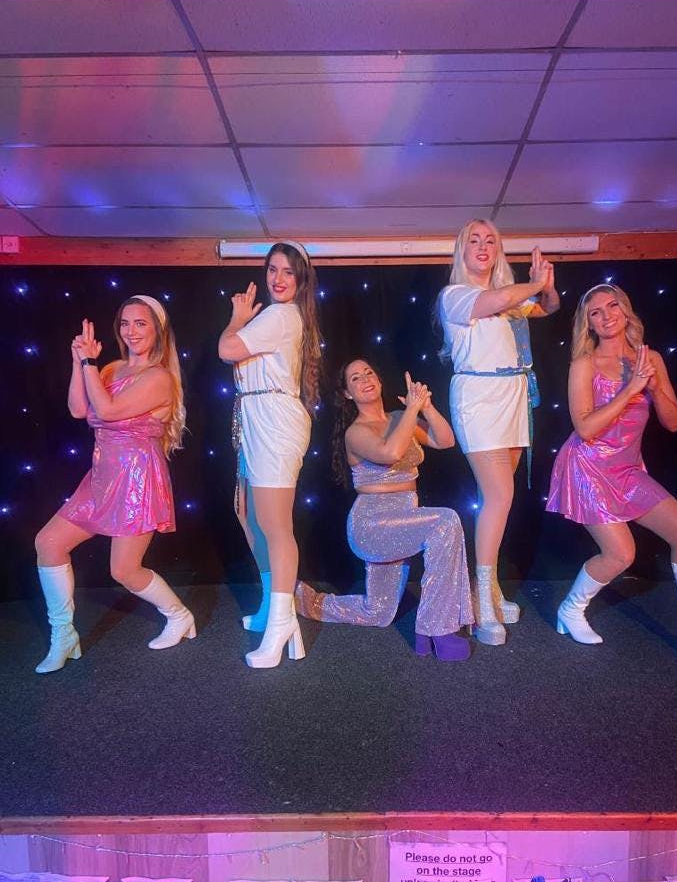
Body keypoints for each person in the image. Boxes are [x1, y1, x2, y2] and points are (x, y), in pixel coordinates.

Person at [546, 283, 677, 671]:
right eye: (595, 312)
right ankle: (571, 610)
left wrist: (655, 388)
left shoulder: (651, 358)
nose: (606, 316)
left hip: (627, 469)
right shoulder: (584, 364)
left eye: (612, 306)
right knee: (621, 554)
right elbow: (585, 428)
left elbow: (674, 422)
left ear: (626, 311)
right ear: (589, 324)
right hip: (589, 467)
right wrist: (630, 389)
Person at [33, 295, 193, 673]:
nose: (131, 331)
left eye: (140, 323)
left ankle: (179, 616)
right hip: (102, 475)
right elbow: (79, 409)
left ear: (158, 330)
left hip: (137, 478)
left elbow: (106, 411)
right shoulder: (111, 368)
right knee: (48, 543)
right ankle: (63, 635)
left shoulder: (159, 378)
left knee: (124, 570)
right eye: (125, 323)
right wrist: (80, 361)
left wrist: (90, 364)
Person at [295, 359, 474, 659]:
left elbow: (444, 440)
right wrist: (413, 410)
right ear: (347, 393)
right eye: (355, 378)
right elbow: (390, 453)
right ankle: (437, 629)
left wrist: (426, 407)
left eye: (369, 373)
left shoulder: (400, 417)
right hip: (372, 525)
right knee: (446, 521)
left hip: (404, 520)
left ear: (379, 380)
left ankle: (301, 599)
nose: (365, 379)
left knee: (377, 612)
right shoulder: (355, 432)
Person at [436, 218, 559, 645]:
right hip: (479, 397)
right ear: (462, 250)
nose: (483, 246)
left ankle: (488, 588)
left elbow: (548, 308)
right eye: (474, 240)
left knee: (498, 501)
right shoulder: (455, 295)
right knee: (499, 495)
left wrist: (547, 286)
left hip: (513, 395)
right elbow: (501, 298)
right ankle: (480, 600)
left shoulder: (511, 299)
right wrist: (533, 284)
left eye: (491, 240)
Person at [218, 241, 321, 669]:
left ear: (300, 280)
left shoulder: (280, 315)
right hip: (257, 418)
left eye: (288, 272)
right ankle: (271, 606)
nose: (278, 279)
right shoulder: (277, 316)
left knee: (276, 525)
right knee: (249, 515)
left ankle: (281, 623)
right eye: (273, 269)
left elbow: (227, 349)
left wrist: (237, 318)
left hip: (275, 421)